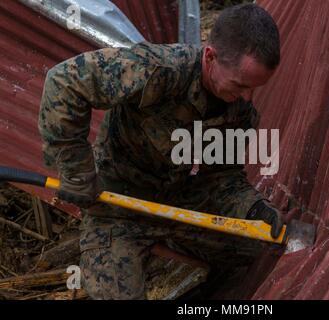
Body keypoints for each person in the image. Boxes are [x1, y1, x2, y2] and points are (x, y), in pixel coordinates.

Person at [39, 3, 290, 299]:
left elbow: (222, 178)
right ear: (210, 56)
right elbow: (64, 82)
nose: (247, 97)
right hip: (118, 205)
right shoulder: (159, 69)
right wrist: (76, 170)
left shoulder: (240, 111)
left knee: (254, 250)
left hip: (178, 203)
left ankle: (179, 262)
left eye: (254, 88)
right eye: (240, 84)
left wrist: (253, 208)